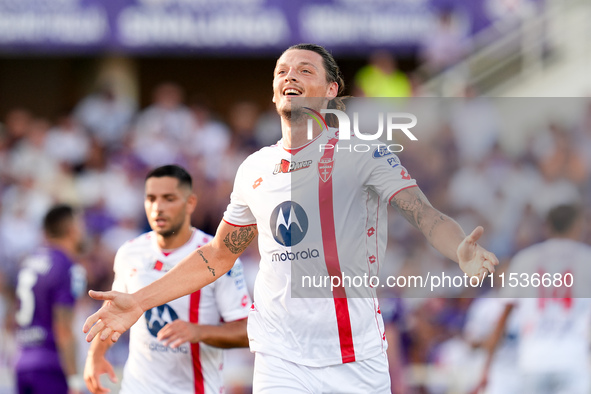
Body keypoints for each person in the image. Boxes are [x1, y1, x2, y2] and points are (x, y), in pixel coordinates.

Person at [83, 43, 498, 393]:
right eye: (282, 71)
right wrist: (137, 301)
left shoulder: (364, 154)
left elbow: (426, 216)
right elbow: (217, 256)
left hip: (356, 356)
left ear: (332, 90)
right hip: (280, 357)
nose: (289, 76)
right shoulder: (255, 168)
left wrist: (458, 247)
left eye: (304, 69)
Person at [83, 164, 251, 394]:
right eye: (151, 199)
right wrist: (95, 356)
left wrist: (198, 332)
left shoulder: (218, 257)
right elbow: (114, 311)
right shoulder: (130, 252)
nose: (158, 207)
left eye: (169, 198)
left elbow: (247, 332)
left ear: (190, 203)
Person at [478, 203, 591, 394]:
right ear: (578, 226)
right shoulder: (586, 259)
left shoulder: (525, 259)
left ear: (547, 226)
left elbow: (503, 318)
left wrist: (486, 367)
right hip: (574, 358)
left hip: (533, 359)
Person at [14, 204, 87, 394]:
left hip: (22, 360)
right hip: (51, 365)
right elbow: (63, 328)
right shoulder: (67, 266)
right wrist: (73, 379)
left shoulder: (28, 262)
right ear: (72, 230)